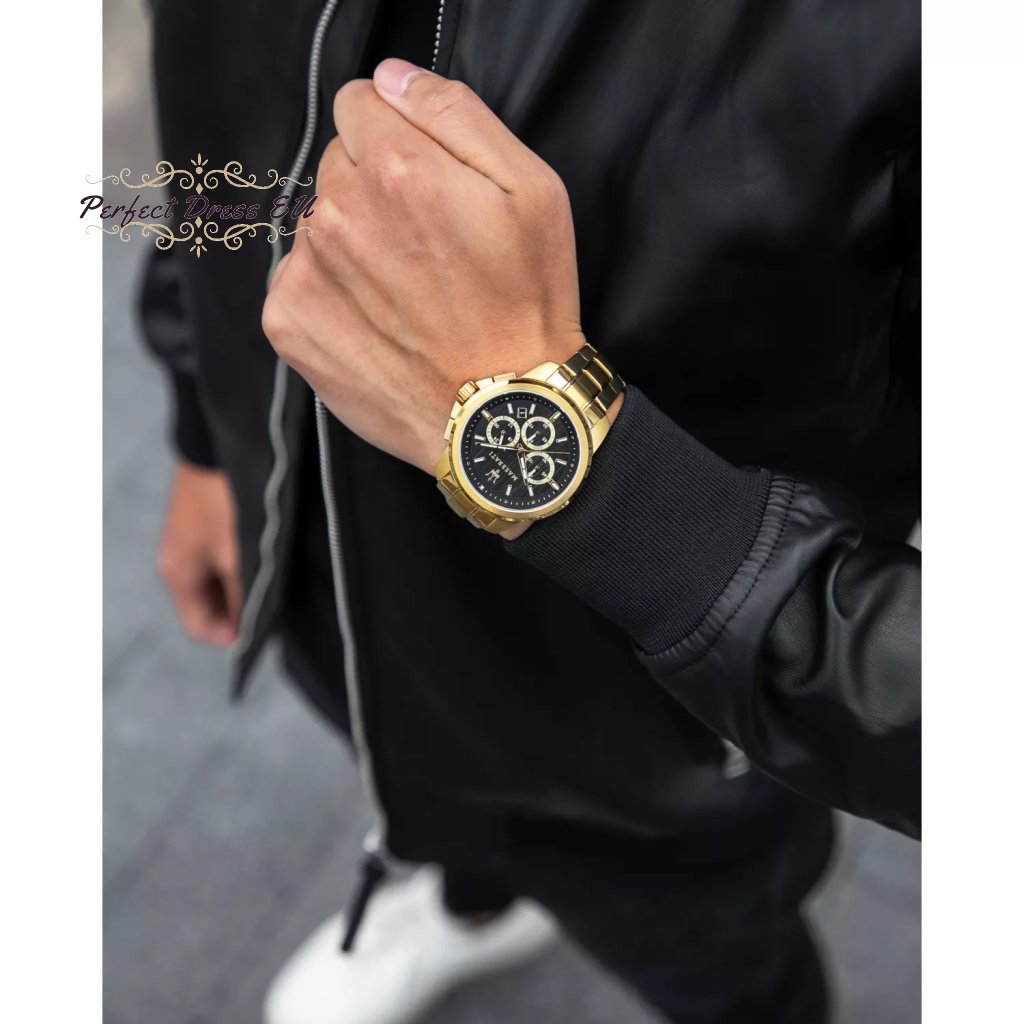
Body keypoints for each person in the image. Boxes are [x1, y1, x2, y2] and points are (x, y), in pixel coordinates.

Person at [144, 2, 920, 1022]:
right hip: (326, 571)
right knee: (431, 795)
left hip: (670, 729)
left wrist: (600, 491)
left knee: (722, 969)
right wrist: (202, 423)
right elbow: (220, 124)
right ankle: (475, 904)